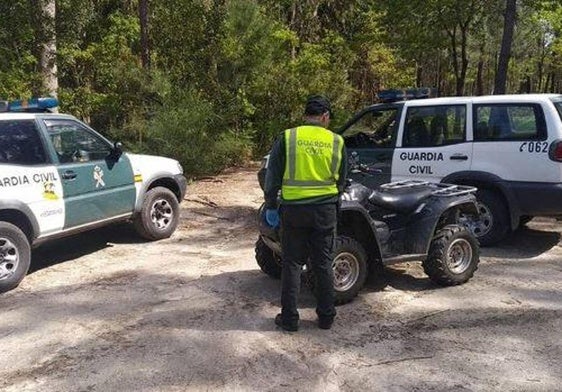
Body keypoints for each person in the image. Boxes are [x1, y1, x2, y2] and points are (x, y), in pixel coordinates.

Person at [264, 95, 347, 331]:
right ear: (325, 117)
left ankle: (290, 320)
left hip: (294, 212)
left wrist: (271, 204)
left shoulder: (289, 137)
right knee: (323, 264)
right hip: (325, 211)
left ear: (305, 116)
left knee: (291, 264)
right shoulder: (337, 141)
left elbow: (272, 176)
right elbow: (342, 180)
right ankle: (326, 317)